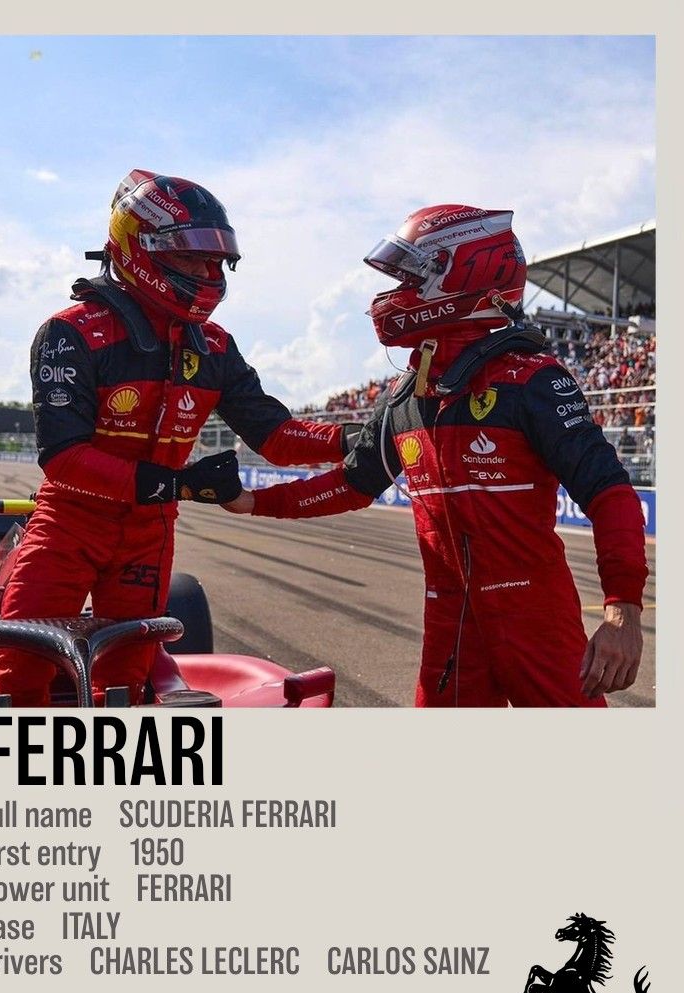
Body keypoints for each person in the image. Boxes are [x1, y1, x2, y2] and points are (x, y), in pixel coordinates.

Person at [225, 204, 648, 707]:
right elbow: (354, 484)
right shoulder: (407, 393)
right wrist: (254, 502)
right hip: (449, 625)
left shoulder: (532, 381)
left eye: (411, 277)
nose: (395, 293)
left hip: (536, 619)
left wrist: (623, 611)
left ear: (466, 275)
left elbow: (610, 493)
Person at [0, 169, 357, 706]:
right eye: (189, 258)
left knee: (126, 683)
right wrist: (175, 484)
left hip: (148, 534)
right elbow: (64, 459)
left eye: (214, 260)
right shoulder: (71, 333)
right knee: (18, 674)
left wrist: (355, 439)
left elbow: (276, 436)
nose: (206, 272)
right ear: (137, 247)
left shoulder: (216, 347)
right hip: (68, 523)